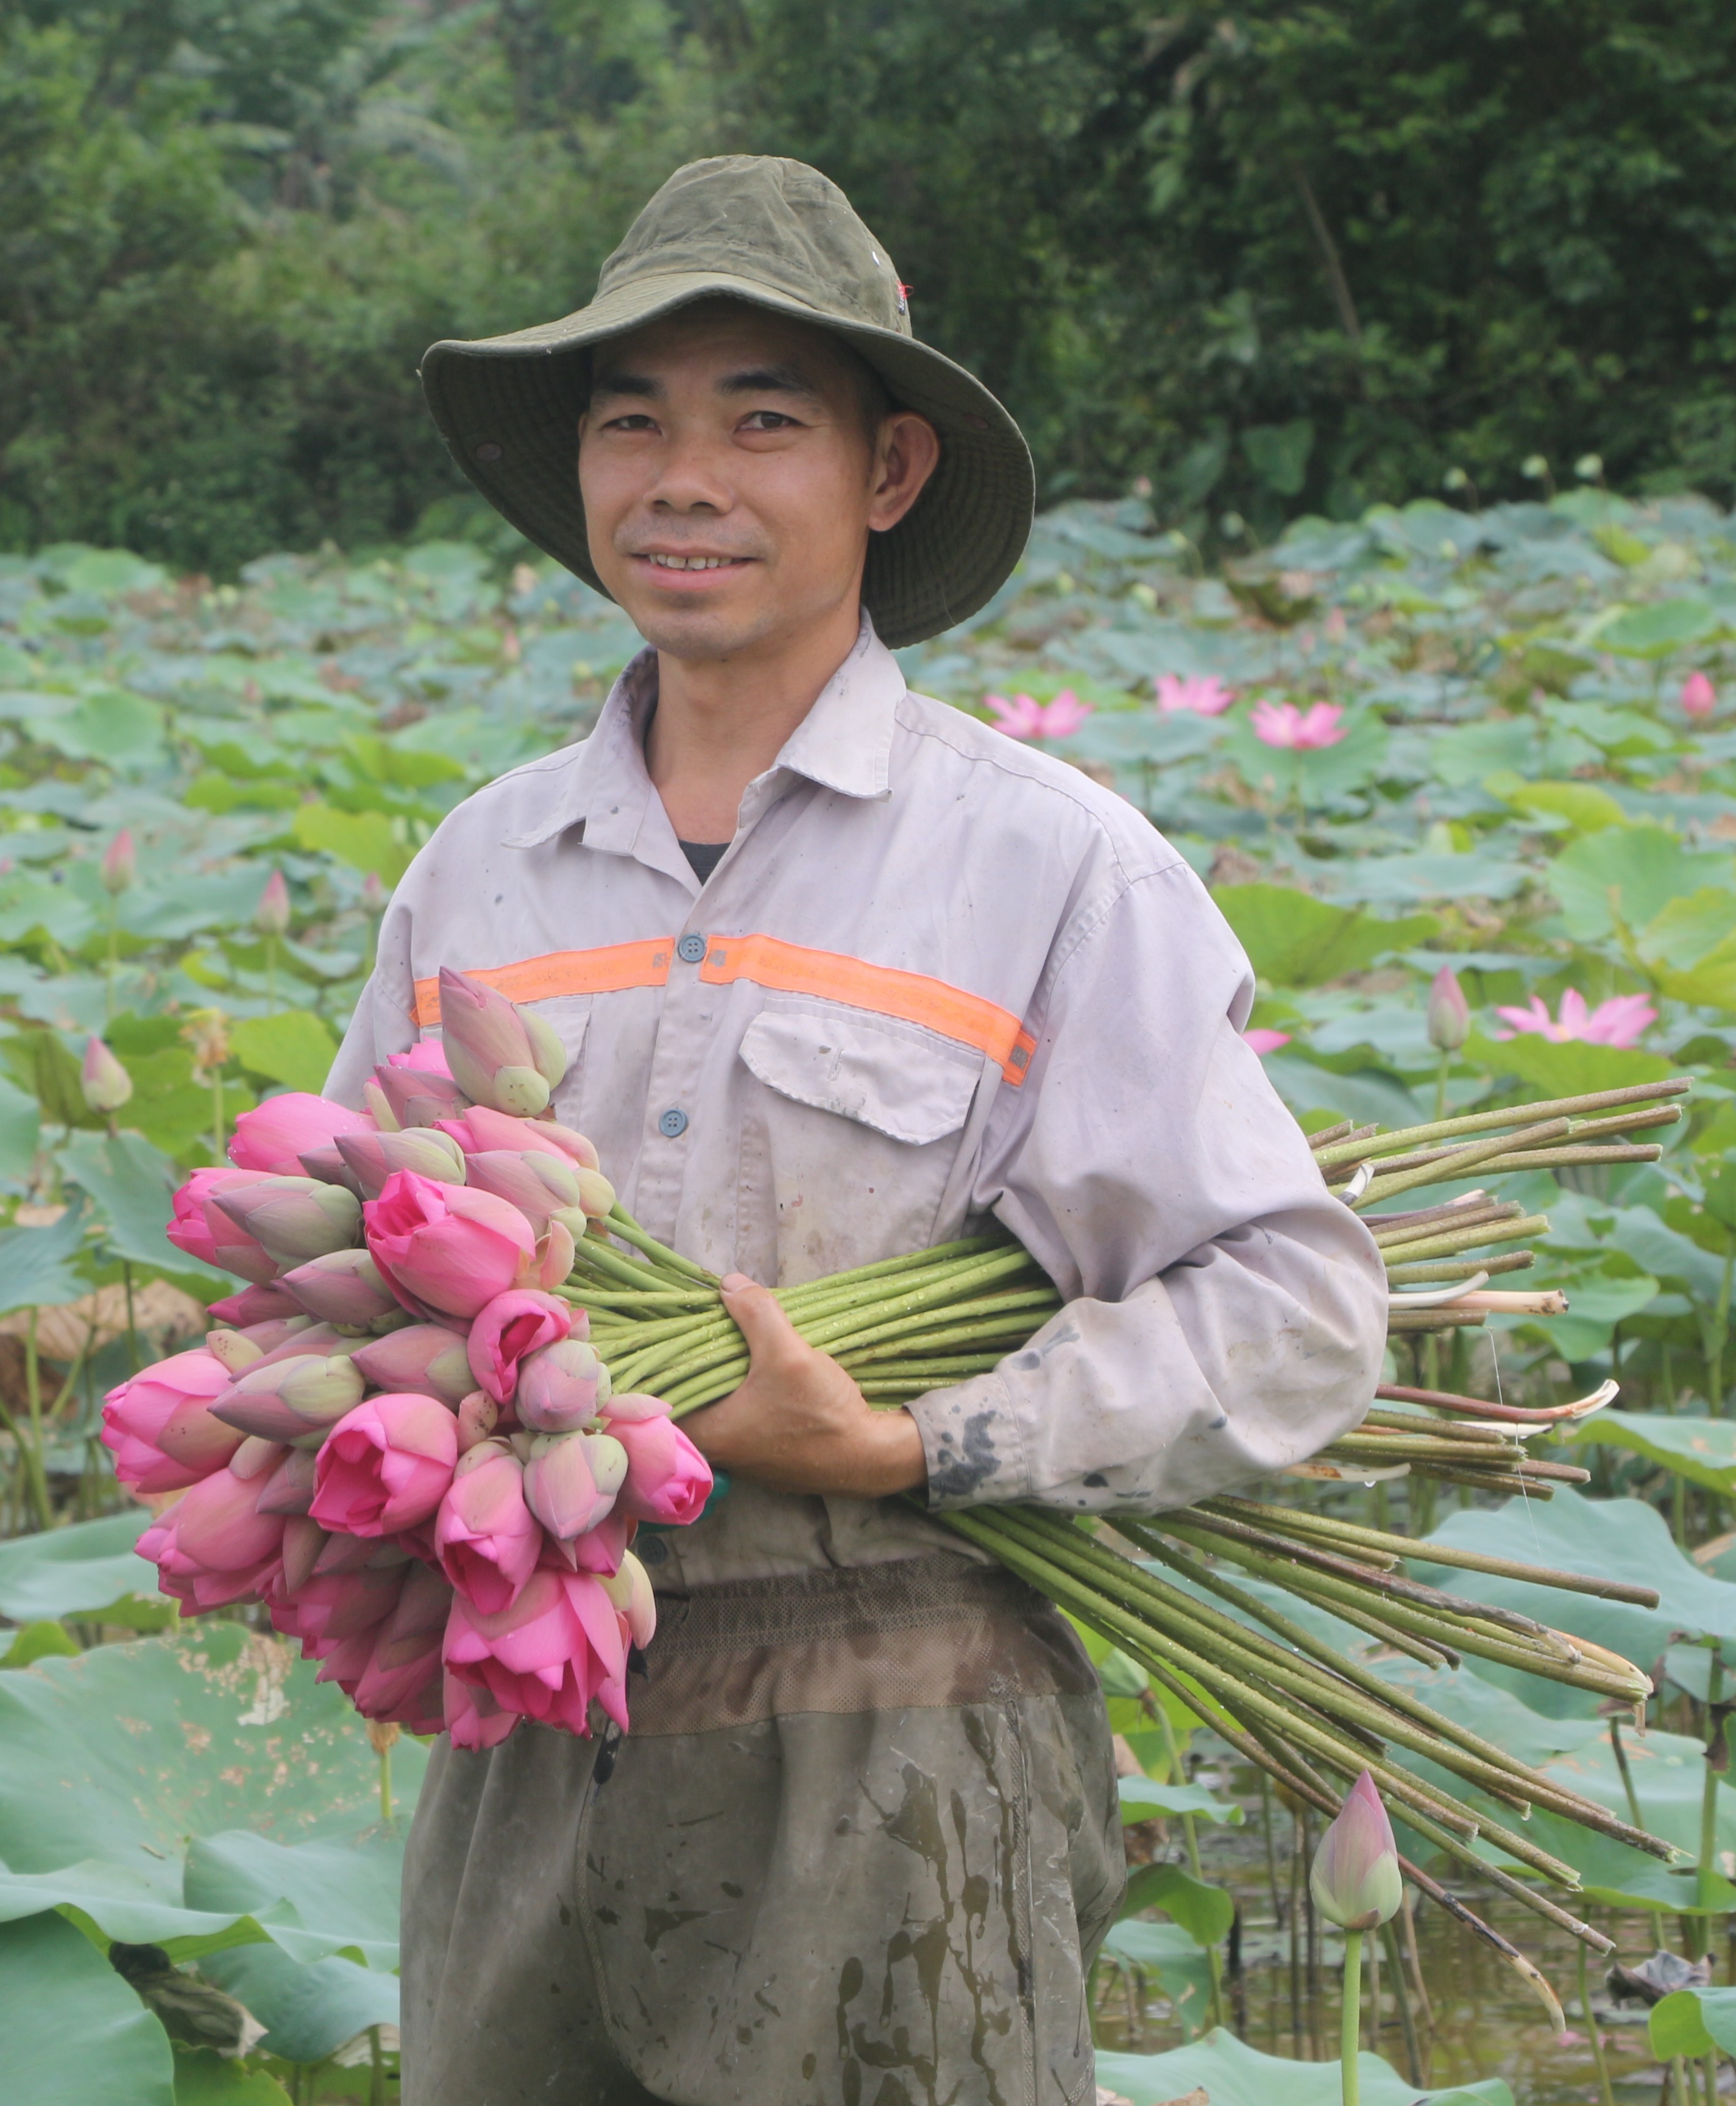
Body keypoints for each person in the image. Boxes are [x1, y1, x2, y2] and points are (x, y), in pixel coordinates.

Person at [325, 154, 1388, 2106]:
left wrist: (914, 1439)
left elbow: (1298, 1314)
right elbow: (339, 1257)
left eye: (760, 421)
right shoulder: (479, 876)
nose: (683, 478)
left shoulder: (1048, 866)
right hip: (530, 1754)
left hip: (902, 1748)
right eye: (629, 420)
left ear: (888, 475)